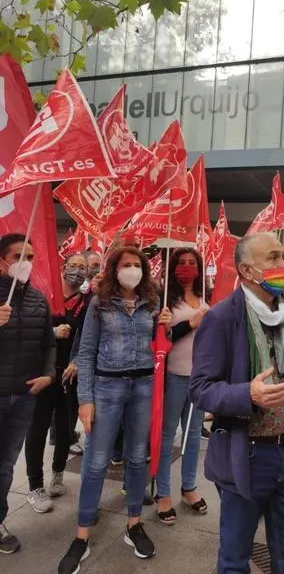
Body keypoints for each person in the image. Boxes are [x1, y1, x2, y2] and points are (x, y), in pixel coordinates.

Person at [189, 232, 284, 574]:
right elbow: (200, 389)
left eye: (283, 256)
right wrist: (247, 393)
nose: (283, 264)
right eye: (273, 257)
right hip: (247, 456)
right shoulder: (221, 318)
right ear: (247, 271)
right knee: (234, 559)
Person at [58, 247, 172, 574]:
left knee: (136, 458)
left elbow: (160, 347)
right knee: (96, 461)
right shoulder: (99, 303)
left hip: (143, 387)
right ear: (114, 269)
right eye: (126, 265)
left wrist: (165, 328)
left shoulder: (153, 303)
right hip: (107, 388)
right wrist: (85, 399)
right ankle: (81, 535)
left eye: (137, 265)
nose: (132, 269)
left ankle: (134, 523)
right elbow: (86, 352)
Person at [0, 233, 56, 554]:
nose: (26, 263)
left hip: (22, 397)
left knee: (6, 463)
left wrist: (48, 374)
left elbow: (48, 344)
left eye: (30, 257)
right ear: (2, 261)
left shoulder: (38, 299)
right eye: (19, 256)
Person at [25, 253, 90, 513]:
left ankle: (58, 475)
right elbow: (27, 329)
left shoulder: (87, 302)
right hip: (43, 373)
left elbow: (88, 336)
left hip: (70, 375)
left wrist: (77, 360)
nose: (78, 271)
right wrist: (52, 332)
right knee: (38, 428)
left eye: (83, 267)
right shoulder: (43, 295)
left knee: (65, 428)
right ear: (62, 267)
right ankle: (35, 485)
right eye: (73, 265)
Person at [155, 248, 210, 524]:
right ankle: (162, 492)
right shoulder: (165, 298)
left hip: (199, 378)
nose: (187, 267)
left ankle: (189, 487)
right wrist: (191, 322)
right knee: (167, 436)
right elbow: (163, 338)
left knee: (193, 435)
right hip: (173, 376)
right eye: (182, 262)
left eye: (192, 263)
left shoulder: (205, 296)